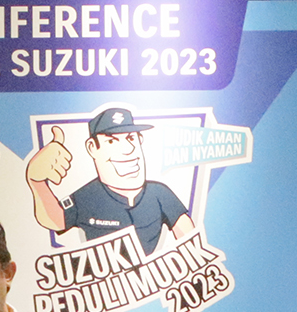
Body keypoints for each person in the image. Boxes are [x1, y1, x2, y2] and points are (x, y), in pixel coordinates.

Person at [26, 106, 196, 254]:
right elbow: (55, 220)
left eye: (131, 138)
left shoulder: (160, 193)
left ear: (140, 140)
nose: (128, 149)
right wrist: (37, 182)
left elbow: (189, 238)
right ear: (92, 148)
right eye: (112, 141)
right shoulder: (88, 196)